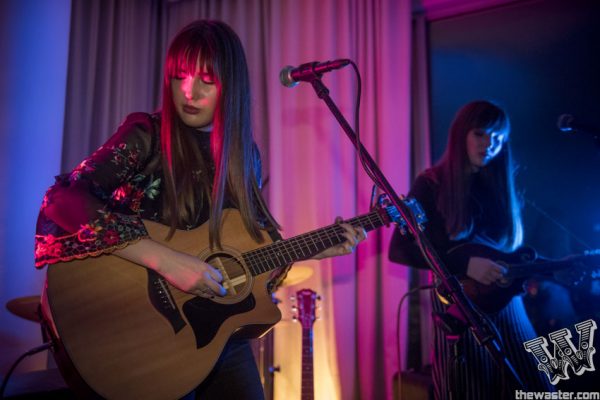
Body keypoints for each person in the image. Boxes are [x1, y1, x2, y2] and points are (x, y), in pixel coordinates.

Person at [34, 20, 365, 399]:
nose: (188, 92)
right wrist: (167, 261)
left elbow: (242, 252)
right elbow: (62, 200)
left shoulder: (245, 159)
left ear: (231, 86)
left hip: (217, 335)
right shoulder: (146, 134)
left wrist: (312, 248)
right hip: (147, 334)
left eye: (207, 80)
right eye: (179, 76)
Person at [389, 100, 554, 399]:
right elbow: (399, 250)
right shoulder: (431, 184)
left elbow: (510, 250)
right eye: (481, 133)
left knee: (539, 385)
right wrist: (464, 266)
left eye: (498, 137)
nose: (490, 144)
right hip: (457, 304)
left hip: (506, 303)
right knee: (469, 391)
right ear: (462, 133)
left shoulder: (500, 184)